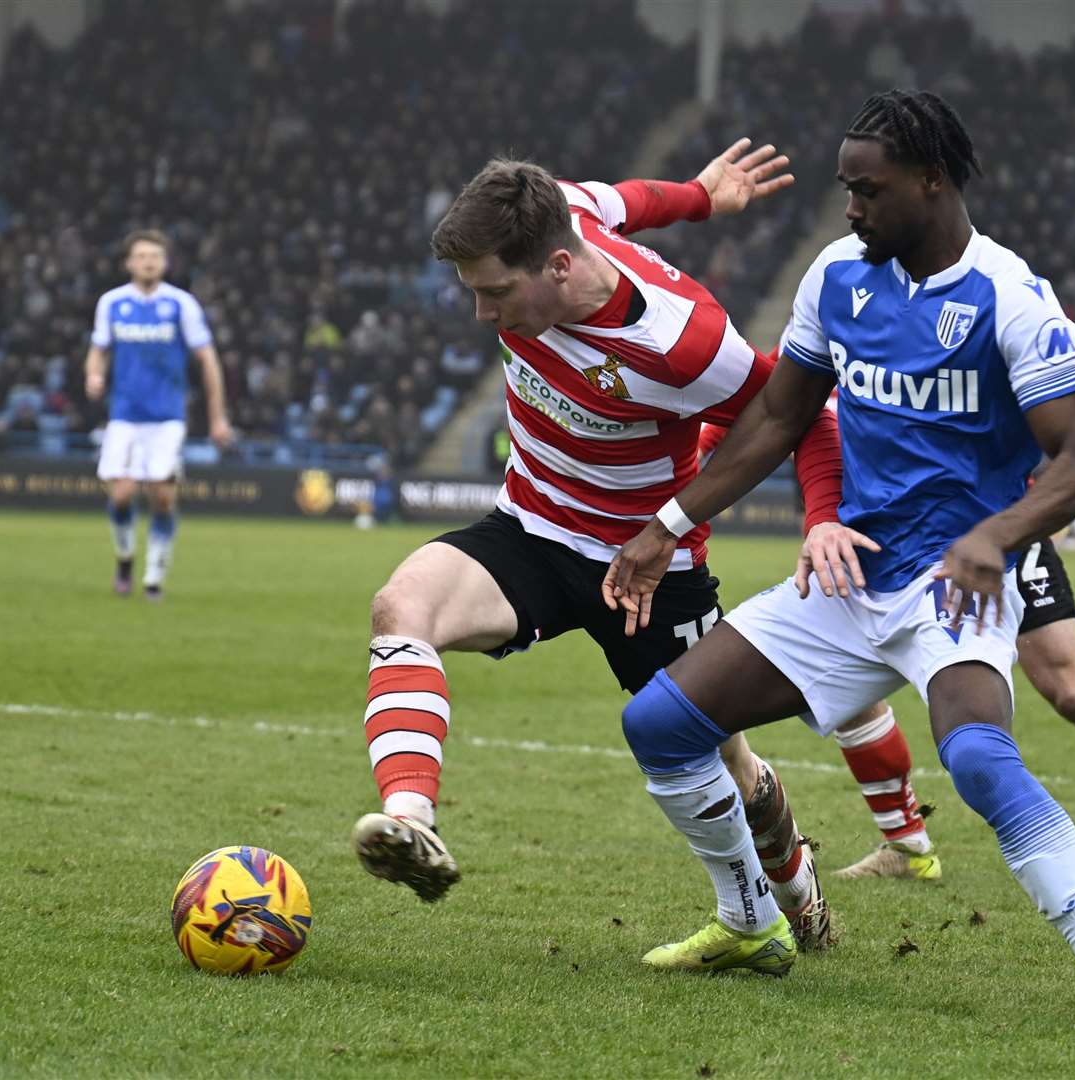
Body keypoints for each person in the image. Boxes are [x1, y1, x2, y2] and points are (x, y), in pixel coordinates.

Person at [606, 90, 1075, 1040]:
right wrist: (666, 523)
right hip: (849, 576)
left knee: (982, 762)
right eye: (845, 191)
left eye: (868, 191)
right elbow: (780, 419)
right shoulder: (837, 279)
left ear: (933, 182)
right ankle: (750, 922)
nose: (851, 210)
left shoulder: (1012, 299)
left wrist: (993, 537)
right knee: (659, 722)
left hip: (952, 584)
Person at [349, 143, 864, 954]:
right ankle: (411, 825)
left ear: (558, 266)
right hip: (529, 526)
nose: (483, 316)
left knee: (723, 758)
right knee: (401, 606)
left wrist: (817, 517)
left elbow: (796, 417)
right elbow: (626, 197)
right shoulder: (563, 206)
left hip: (650, 574)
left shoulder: (682, 341)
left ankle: (797, 897)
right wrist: (699, 195)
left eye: (495, 293)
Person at [823, 331, 1075, 899]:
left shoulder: (981, 291)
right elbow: (771, 387)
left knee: (1073, 693)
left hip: (989, 531)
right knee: (840, 690)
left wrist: (1056, 474)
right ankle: (907, 846)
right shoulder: (844, 300)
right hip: (885, 544)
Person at [84, 229, 232, 599]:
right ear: (129, 262)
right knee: (120, 494)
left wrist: (217, 417)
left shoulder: (181, 305)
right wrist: (93, 374)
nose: (148, 261)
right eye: (142, 256)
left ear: (165, 263)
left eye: (155, 256)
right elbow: (98, 348)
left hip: (167, 416)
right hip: (124, 414)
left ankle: (153, 577)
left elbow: (208, 358)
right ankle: (124, 557)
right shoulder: (112, 303)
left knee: (162, 496)